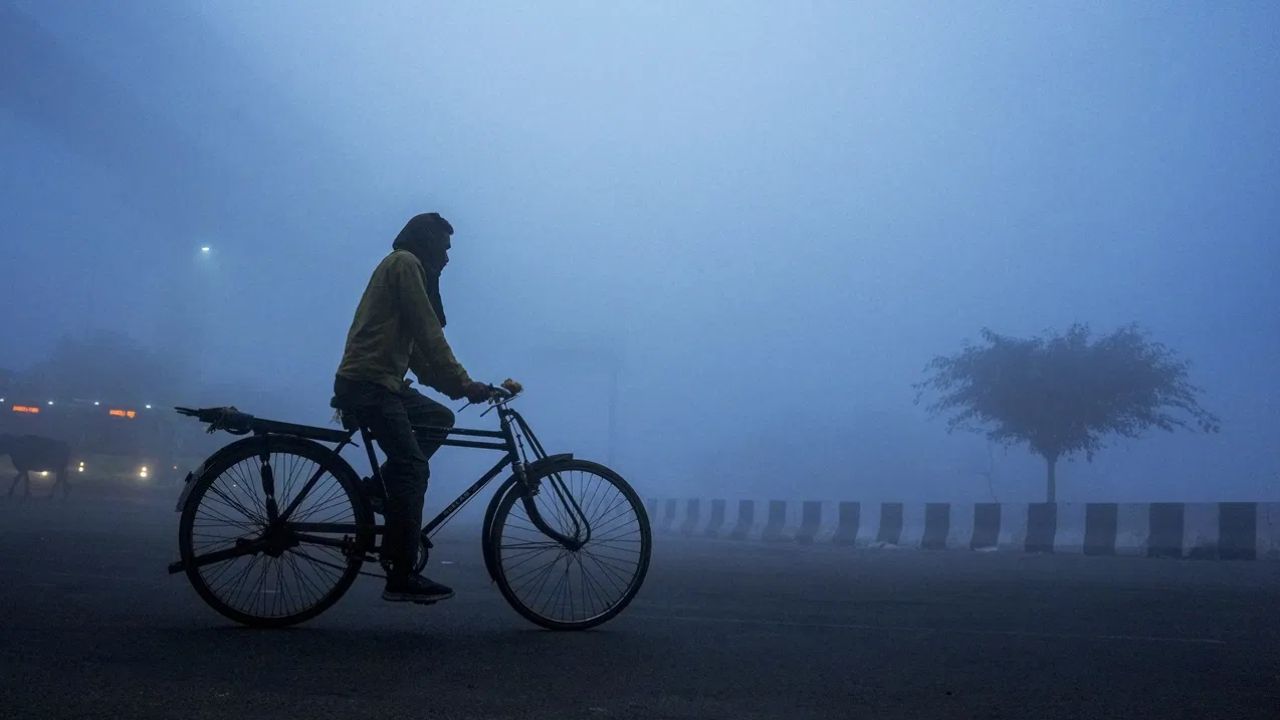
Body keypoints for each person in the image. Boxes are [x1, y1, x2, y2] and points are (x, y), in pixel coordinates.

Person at [332, 212, 494, 603]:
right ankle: (401, 574)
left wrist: (460, 388)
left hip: (383, 383)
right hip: (369, 385)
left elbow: (419, 356)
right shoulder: (405, 264)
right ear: (426, 241)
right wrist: (461, 380)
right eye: (445, 247)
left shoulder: (409, 267)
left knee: (438, 418)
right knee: (413, 468)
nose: (448, 259)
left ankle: (376, 491)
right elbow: (427, 329)